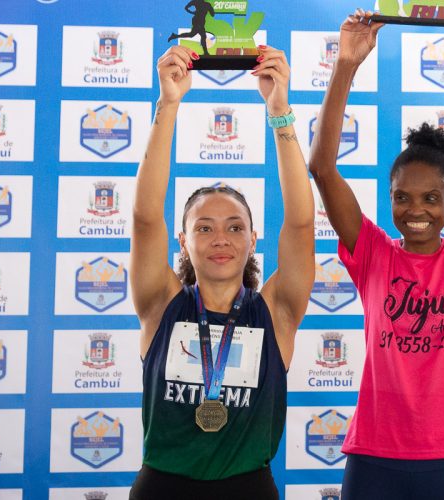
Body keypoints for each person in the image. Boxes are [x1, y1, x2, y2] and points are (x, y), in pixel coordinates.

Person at [309, 11, 444, 499]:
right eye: (403, 197)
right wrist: (345, 65)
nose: (416, 210)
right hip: (375, 453)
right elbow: (322, 168)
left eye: (431, 198)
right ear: (389, 199)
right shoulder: (371, 253)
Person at [129, 45, 315, 498]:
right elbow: (145, 218)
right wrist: (168, 104)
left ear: (253, 240)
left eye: (235, 227)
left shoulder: (276, 312)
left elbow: (300, 223)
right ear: (183, 241)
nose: (220, 239)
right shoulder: (160, 303)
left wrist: (280, 111)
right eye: (204, 228)